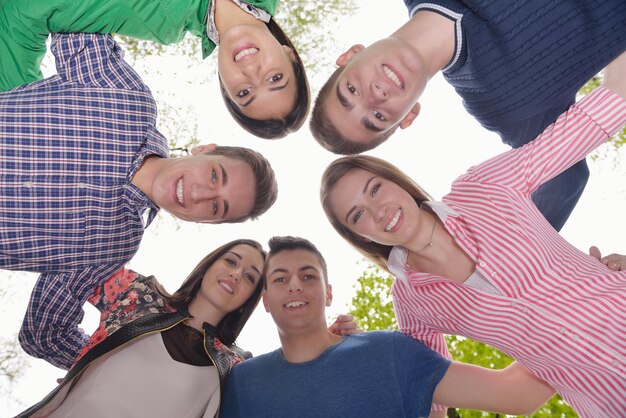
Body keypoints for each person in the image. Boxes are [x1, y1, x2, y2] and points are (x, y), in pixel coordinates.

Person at [319, 53, 626, 416]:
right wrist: (358, 353)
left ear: (396, 181)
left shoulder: (484, 187)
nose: (378, 210)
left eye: (374, 189)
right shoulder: (413, 304)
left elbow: (598, 114)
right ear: (361, 237)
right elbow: (430, 396)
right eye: (358, 215)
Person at [0, 32, 277, 370]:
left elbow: (43, 334)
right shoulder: (125, 97)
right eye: (215, 175)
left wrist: (115, 376)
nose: (200, 194)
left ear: (204, 222)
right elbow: (74, 14)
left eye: (216, 207)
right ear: (205, 150)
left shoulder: (114, 245)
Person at [311, 0, 626, 231]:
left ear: (350, 55)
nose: (375, 96)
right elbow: (565, 179)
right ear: (408, 117)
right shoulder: (501, 105)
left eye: (351, 91)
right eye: (378, 118)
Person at [16, 238, 357, 418]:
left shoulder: (235, 366)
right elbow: (46, 324)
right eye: (232, 261)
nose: (237, 274)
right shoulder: (136, 294)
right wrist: (88, 359)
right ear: (211, 264)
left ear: (252, 298)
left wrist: (339, 346)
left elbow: (296, 390)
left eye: (251, 277)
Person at [221, 236, 554, 418]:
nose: (295, 286)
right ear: (264, 300)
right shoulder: (242, 381)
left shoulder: (389, 352)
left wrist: (581, 304)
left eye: (308, 276)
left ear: (329, 293)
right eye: (280, 279)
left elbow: (517, 393)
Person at [0, 0, 309, 138]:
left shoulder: (161, 19)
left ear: (225, 86)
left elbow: (27, 10)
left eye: (244, 92)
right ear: (289, 54)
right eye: (275, 78)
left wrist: (18, 116)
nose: (252, 74)